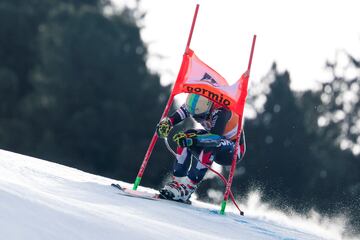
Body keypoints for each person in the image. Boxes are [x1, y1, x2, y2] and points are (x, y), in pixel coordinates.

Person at [156, 93, 246, 203]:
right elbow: (177, 116)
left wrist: (192, 140)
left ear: (209, 109)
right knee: (185, 136)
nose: (197, 119)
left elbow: (214, 139)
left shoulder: (221, 111)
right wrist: (167, 123)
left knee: (209, 144)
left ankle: (189, 186)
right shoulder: (195, 104)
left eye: (200, 117)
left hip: (233, 150)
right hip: (216, 140)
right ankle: (178, 182)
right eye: (194, 116)